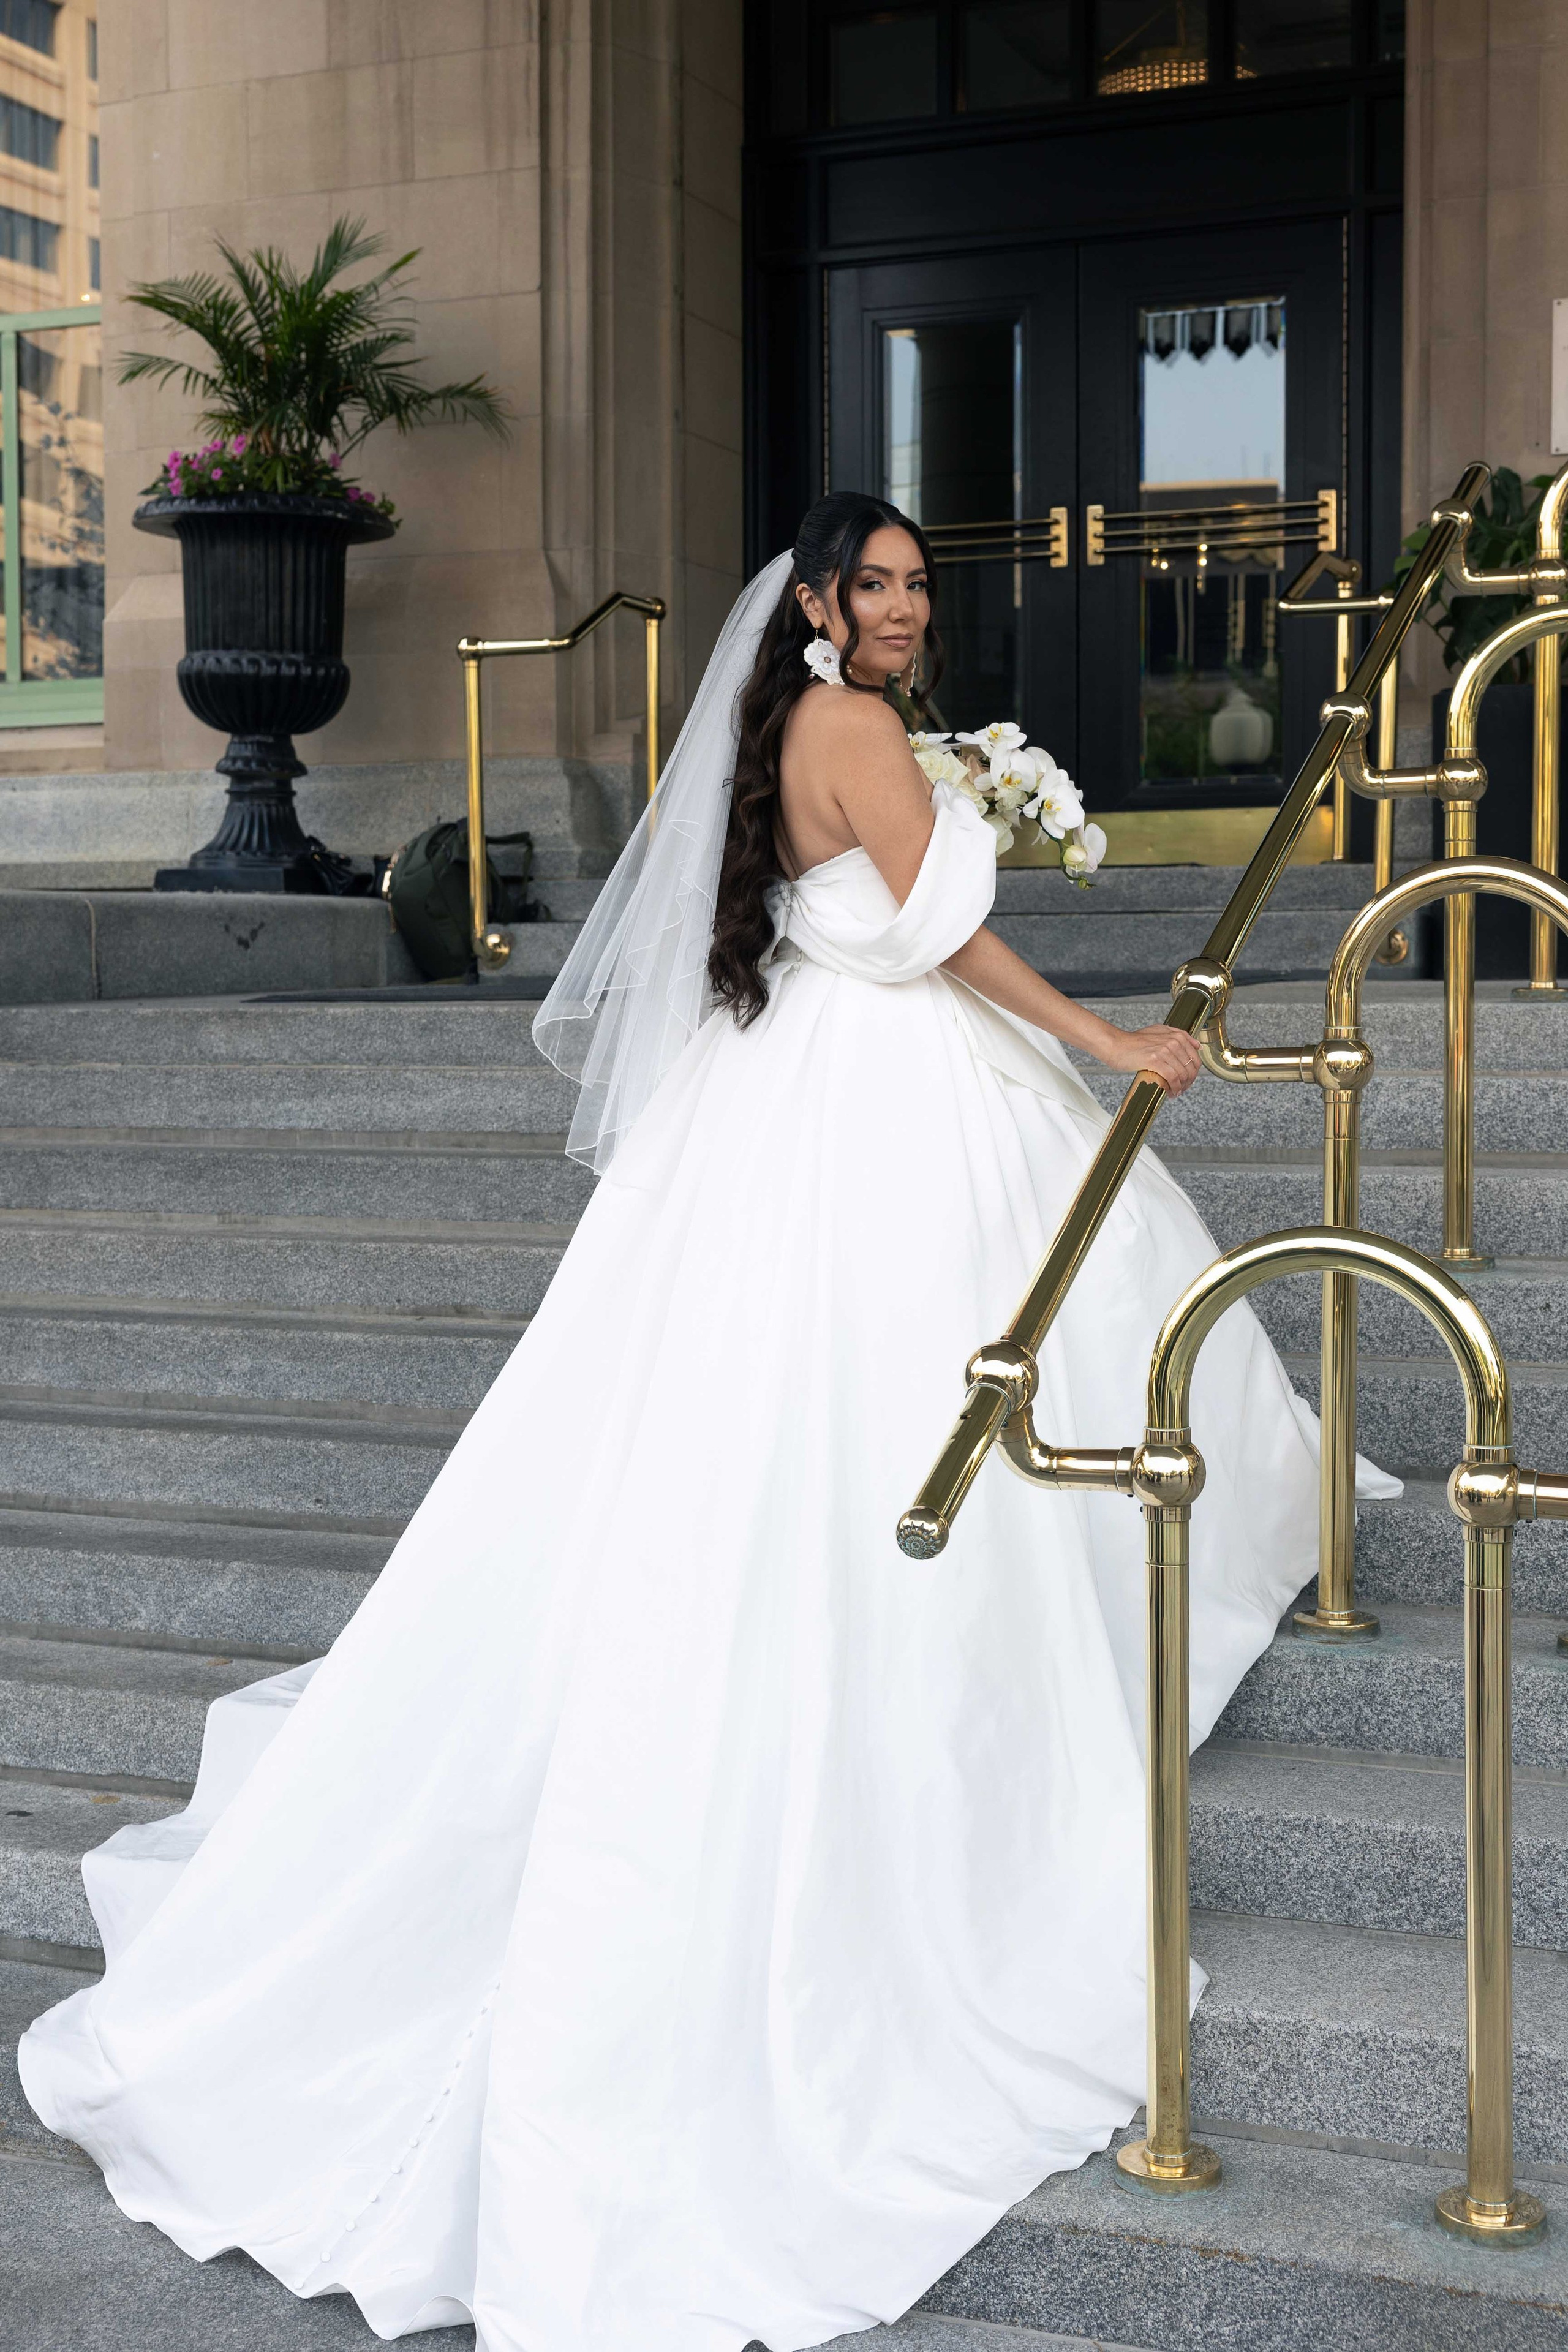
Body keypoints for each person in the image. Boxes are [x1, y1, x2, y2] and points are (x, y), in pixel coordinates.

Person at [19, 492, 1393, 2352]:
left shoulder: (797, 727)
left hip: (798, 1082)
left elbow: (865, 915)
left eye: (917, 584)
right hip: (889, 1091)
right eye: (876, 584)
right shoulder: (855, 728)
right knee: (976, 1357)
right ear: (818, 601)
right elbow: (942, 938)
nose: (903, 607)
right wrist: (1112, 1040)